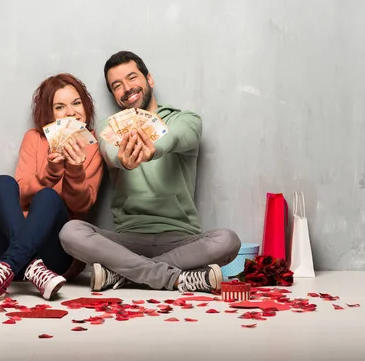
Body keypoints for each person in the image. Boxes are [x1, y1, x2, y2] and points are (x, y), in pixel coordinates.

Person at [59, 51, 241, 294]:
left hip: (181, 239)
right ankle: (173, 278)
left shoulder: (185, 119)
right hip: (126, 242)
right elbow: (112, 153)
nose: (127, 88)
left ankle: (124, 276)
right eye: (117, 85)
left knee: (227, 240)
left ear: (149, 79)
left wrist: (151, 149)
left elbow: (176, 138)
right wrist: (125, 160)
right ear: (114, 94)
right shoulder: (108, 126)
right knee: (70, 232)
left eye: (132, 78)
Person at [0, 73, 104, 304]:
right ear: (49, 114)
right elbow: (19, 198)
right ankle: (27, 266)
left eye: (77, 103)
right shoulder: (34, 138)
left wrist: (75, 169)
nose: (71, 112)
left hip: (57, 257)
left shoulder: (93, 145)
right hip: (15, 251)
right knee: (2, 182)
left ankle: (5, 269)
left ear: (86, 106)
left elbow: (81, 206)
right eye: (60, 107)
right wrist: (50, 172)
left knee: (48, 196)